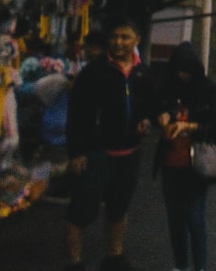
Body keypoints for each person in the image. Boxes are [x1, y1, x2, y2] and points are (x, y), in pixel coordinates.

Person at [64, 17, 155, 271]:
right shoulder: (93, 72)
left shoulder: (142, 73)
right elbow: (77, 115)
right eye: (115, 36)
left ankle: (113, 257)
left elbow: (150, 105)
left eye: (125, 37)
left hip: (128, 154)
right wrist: (77, 152)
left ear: (136, 40)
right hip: (96, 154)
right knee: (81, 210)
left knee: (118, 207)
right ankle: (74, 263)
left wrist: (146, 120)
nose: (118, 42)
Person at [154, 42, 216, 271]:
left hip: (197, 164)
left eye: (186, 70)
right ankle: (181, 266)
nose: (182, 75)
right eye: (178, 70)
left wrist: (190, 126)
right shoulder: (167, 87)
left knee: (194, 220)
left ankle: (200, 267)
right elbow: (156, 107)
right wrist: (162, 117)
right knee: (175, 220)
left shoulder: (210, 89)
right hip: (170, 163)